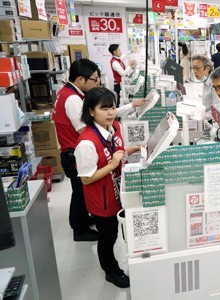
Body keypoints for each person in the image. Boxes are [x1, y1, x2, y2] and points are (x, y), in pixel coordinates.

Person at [53, 59, 146, 242]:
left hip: (76, 152)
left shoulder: (68, 93)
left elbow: (102, 116)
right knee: (81, 194)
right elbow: (86, 131)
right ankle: (80, 229)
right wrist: (112, 161)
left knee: (81, 194)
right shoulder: (74, 102)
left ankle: (86, 221)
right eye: (94, 80)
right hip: (75, 153)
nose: (96, 83)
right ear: (80, 79)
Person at [75, 87, 140, 288]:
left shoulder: (114, 129)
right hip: (101, 200)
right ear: (91, 111)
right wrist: (111, 165)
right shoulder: (87, 142)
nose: (111, 112)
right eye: (104, 109)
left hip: (115, 192)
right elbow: (86, 179)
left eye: (112, 107)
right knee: (107, 237)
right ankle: (111, 271)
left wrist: (138, 148)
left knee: (115, 232)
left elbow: (118, 152)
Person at [191, 54, 220, 122]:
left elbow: (217, 110)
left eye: (197, 68)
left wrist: (198, 116)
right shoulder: (204, 81)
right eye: (193, 68)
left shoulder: (215, 84)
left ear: (208, 68)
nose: (194, 71)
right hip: (204, 119)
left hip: (212, 122)